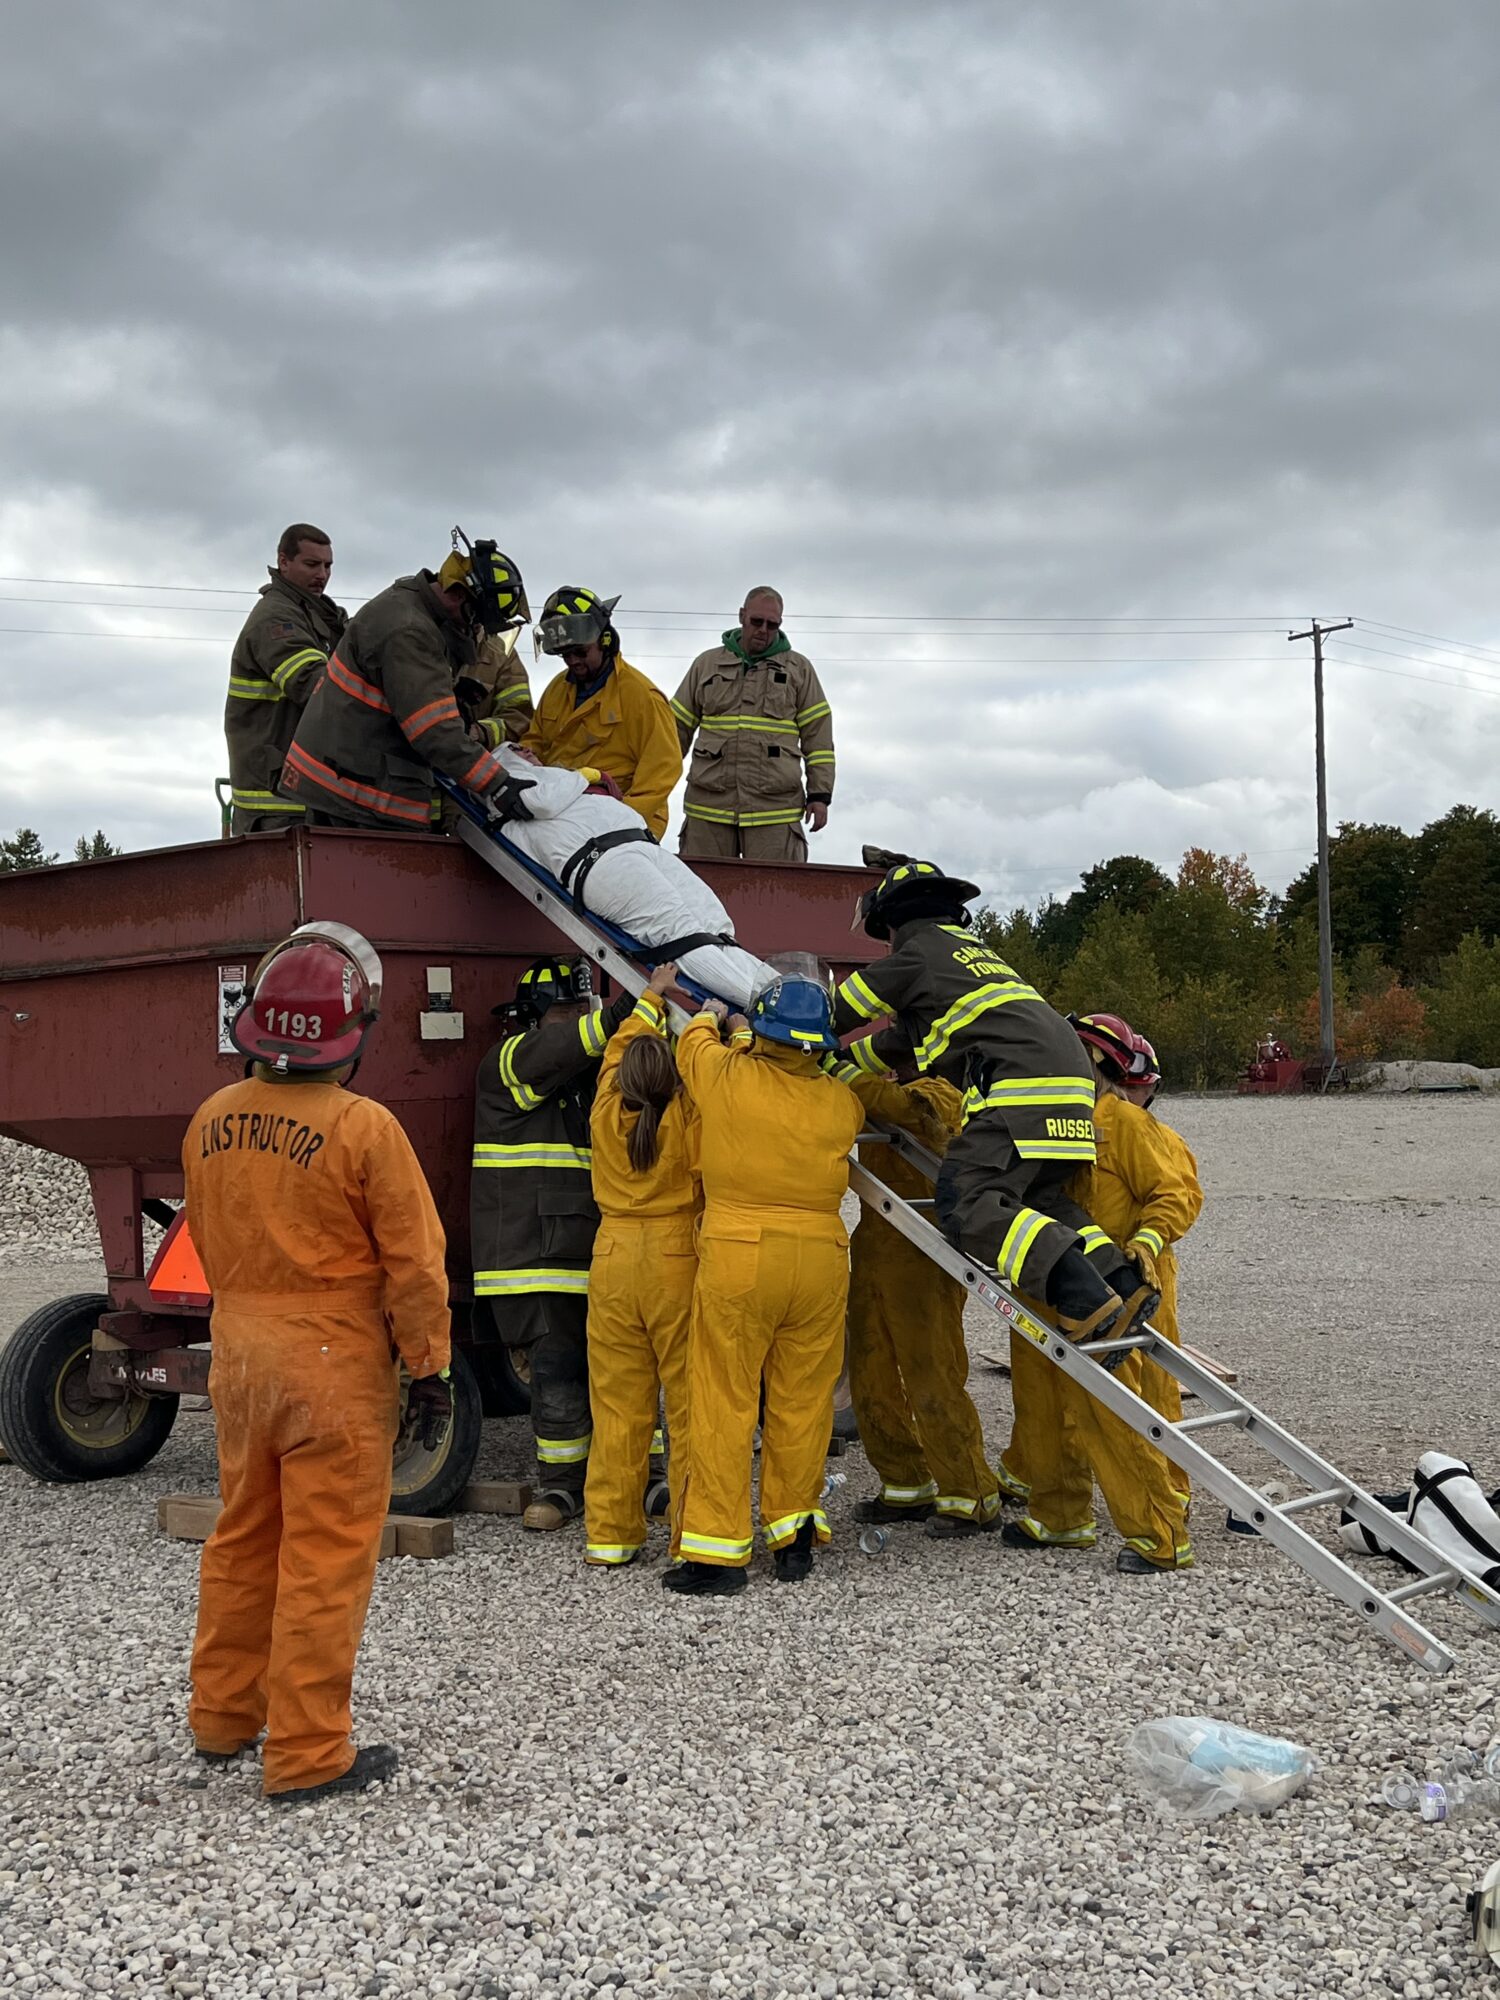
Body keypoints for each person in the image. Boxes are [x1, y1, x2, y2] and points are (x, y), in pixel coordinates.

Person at [182, 922, 452, 1800]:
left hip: (240, 1354)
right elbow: (414, 1264)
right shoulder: (364, 1129)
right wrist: (431, 1367)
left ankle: (223, 1719)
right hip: (331, 1363)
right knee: (325, 1559)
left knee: (242, 1538)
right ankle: (305, 1754)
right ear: (353, 1036)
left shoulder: (211, 1119)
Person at [831, 859, 1157, 1346]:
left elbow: (831, 1013)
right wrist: (841, 1060)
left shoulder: (915, 954)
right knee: (1038, 1200)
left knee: (967, 1203)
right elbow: (896, 1042)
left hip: (1021, 1086)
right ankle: (1121, 1283)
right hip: (1070, 1085)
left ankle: (1084, 1299)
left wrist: (788, 1035)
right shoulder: (970, 959)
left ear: (895, 922)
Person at [666, 973, 863, 1597]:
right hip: (822, 1257)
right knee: (803, 1401)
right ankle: (794, 1535)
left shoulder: (725, 1075)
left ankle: (718, 1554)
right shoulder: (841, 1103)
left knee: (725, 1396)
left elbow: (692, 1041)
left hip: (741, 1252)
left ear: (765, 1031)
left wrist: (717, 1019)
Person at [997, 1012, 1197, 1574]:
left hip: (1121, 1287)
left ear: (1099, 1065)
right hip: (1046, 1281)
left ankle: (1161, 1528)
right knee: (1041, 1405)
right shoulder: (1040, 1120)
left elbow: (1175, 1195)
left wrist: (1144, 1245)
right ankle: (1060, 1515)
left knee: (1129, 1408)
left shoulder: (1127, 1126)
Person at [471, 956, 634, 1530]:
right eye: (564, 1013)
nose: (575, 1023)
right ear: (533, 1018)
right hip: (532, 1257)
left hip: (588, 1247)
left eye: (581, 1011)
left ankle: (645, 1477)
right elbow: (564, 1049)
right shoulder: (511, 1060)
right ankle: (562, 1487)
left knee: (628, 1365)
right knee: (560, 1367)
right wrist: (619, 1012)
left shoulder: (580, 1073)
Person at [474, 745, 778, 1009]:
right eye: (517, 748)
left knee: (717, 930)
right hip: (604, 861)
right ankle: (767, 1006)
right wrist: (587, 776)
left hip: (640, 848)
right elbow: (538, 802)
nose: (528, 751)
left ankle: (792, 995)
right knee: (681, 936)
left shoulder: (552, 777)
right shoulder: (506, 778)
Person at [278, 533, 534, 829]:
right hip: (356, 794)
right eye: (475, 618)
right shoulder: (411, 631)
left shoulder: (410, 601)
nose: (474, 628)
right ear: (458, 594)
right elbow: (435, 731)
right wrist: (498, 783)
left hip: (345, 780)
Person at [841, 1065, 1002, 1537]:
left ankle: (970, 1494)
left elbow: (903, 1110)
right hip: (875, 1246)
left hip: (925, 1253)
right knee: (871, 1377)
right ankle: (904, 1482)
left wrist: (837, 1067)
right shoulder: (875, 1094)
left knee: (932, 1374)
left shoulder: (940, 1095)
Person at [583, 962, 699, 1567]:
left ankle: (610, 1535)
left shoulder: (605, 1108)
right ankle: (688, 1534)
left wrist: (650, 997)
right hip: (676, 1260)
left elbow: (617, 1052)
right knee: (686, 1405)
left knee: (618, 1408)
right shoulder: (686, 1115)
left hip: (612, 1259)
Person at [670, 587, 836, 861]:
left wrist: (820, 795)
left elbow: (818, 737)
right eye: (756, 622)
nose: (763, 630)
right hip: (708, 807)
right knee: (701, 895)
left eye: (772, 625)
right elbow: (674, 730)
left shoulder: (799, 670)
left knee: (775, 898)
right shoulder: (706, 664)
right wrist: (655, 784)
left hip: (775, 810)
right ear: (741, 616)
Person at [522, 588, 681, 839]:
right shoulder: (556, 690)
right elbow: (535, 742)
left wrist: (622, 820)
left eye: (581, 652)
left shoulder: (641, 696)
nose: (573, 661)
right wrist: (525, 762)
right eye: (565, 655)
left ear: (605, 641)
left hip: (624, 819)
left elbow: (662, 771)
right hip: (562, 812)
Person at [225, 524, 347, 833]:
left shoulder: (318, 615)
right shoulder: (276, 619)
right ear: (283, 562)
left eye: (328, 565)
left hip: (300, 795)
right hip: (274, 805)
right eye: (311, 564)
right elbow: (316, 686)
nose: (322, 574)